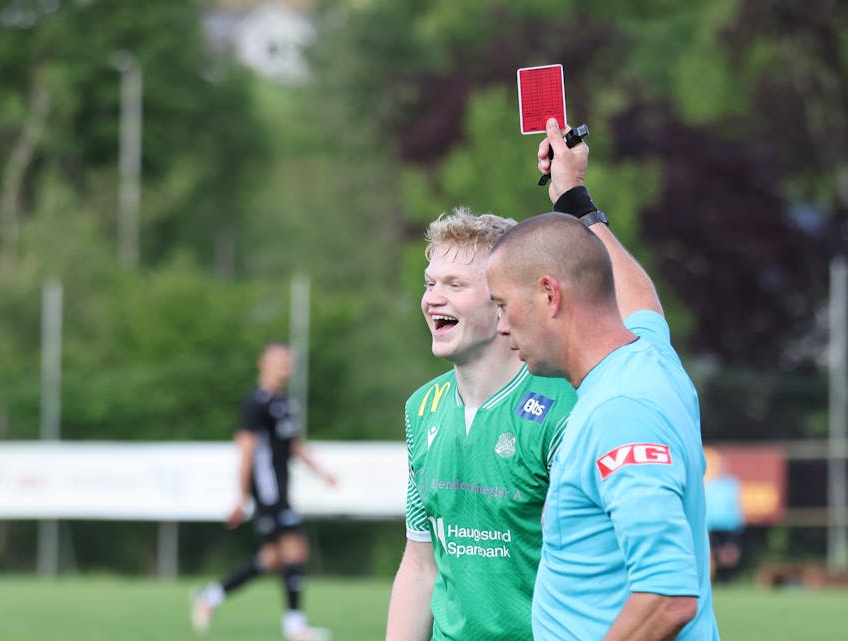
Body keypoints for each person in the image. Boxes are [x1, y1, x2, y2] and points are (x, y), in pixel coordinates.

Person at [484, 118, 720, 641]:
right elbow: (637, 296)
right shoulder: (648, 358)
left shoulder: (621, 411)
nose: (500, 327)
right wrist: (573, 198)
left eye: (503, 306)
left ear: (549, 295)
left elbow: (668, 594)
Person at [385, 207, 577, 641]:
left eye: (455, 285)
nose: (433, 298)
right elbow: (421, 564)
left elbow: (591, 569)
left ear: (503, 301)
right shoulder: (422, 409)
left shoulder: (565, 411)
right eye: (431, 283)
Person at [191, 343, 338, 641]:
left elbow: (293, 445)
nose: (285, 367)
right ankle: (295, 627)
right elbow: (246, 449)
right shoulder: (255, 403)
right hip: (268, 493)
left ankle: (210, 596)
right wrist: (242, 496)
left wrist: (321, 472)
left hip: (280, 490)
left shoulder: (284, 402)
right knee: (296, 548)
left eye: (288, 362)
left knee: (272, 558)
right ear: (263, 363)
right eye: (279, 361)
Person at [703, 447, 745, 582]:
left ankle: (725, 577)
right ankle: (711, 577)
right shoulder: (707, 483)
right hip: (710, 524)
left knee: (729, 554)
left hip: (729, 524)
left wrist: (739, 521)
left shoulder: (732, 483)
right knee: (710, 553)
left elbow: (737, 503)